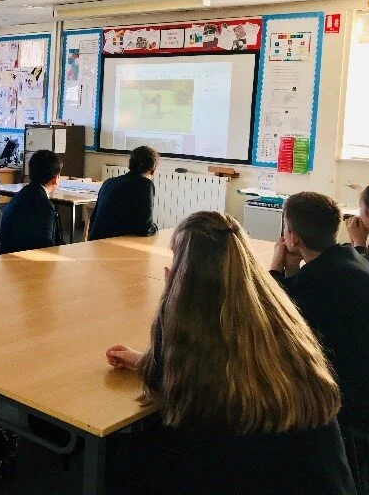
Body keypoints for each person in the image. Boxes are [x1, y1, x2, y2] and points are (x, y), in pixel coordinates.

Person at [106, 211, 355, 494]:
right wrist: (143, 360)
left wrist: (170, 300)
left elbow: (173, 384)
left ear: (183, 273)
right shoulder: (279, 316)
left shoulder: (189, 323)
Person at [272, 192, 369, 487]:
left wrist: (275, 269)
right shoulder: (346, 259)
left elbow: (279, 323)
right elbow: (301, 302)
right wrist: (292, 269)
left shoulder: (323, 278)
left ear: (292, 236)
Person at [0, 150, 64, 254]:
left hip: (8, 261)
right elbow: (47, 248)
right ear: (55, 179)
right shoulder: (45, 207)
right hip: (27, 265)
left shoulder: (20, 196)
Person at [88, 145, 158, 240]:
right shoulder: (145, 184)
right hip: (115, 245)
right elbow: (145, 228)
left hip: (94, 244)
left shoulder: (108, 182)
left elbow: (93, 219)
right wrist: (155, 228)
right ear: (152, 170)